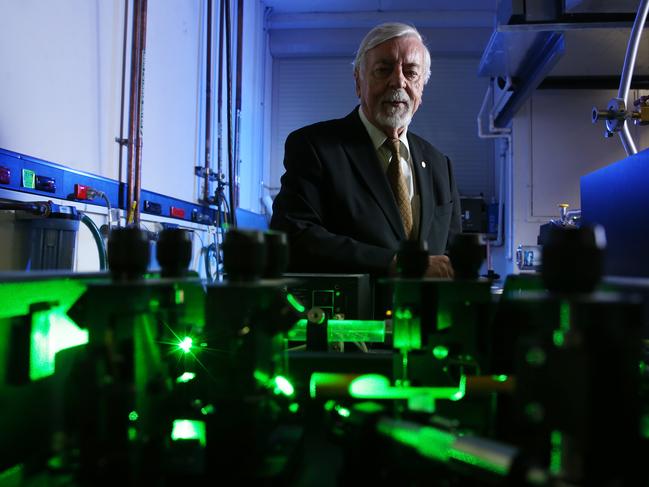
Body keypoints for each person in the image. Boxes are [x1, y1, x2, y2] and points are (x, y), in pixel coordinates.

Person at [270, 22, 462, 277]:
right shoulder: (314, 147)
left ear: (421, 89)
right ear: (359, 82)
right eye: (383, 70)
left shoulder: (439, 165)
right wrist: (396, 263)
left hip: (424, 315)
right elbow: (294, 236)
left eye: (411, 73)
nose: (398, 82)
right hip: (349, 315)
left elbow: (452, 255)